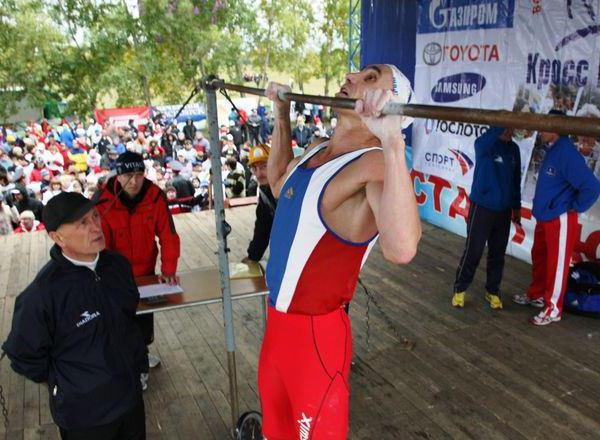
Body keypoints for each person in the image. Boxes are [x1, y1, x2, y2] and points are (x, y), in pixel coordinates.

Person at [259, 64, 421, 439]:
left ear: (389, 103)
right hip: (277, 334)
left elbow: (402, 248)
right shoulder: (318, 150)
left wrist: (393, 143)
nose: (350, 78)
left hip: (316, 345)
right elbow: (279, 181)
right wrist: (281, 116)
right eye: (356, 74)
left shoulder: (375, 164)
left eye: (370, 79)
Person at [2, 192, 147, 439]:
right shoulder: (43, 294)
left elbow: (130, 318)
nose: (95, 227)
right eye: (82, 223)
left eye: (95, 216)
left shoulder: (118, 267)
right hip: (84, 415)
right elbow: (24, 355)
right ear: (57, 237)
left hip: (130, 399)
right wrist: (67, 382)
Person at [96, 152, 180, 389]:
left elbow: (168, 235)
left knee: (143, 319)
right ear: (118, 176)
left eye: (139, 175)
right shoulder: (104, 202)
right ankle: (135, 366)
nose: (134, 181)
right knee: (121, 320)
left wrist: (168, 268)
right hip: (117, 274)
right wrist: (109, 279)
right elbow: (101, 247)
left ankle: (140, 353)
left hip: (147, 272)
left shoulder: (155, 196)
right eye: (128, 175)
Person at [513, 110, 600, 325]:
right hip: (545, 217)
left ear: (556, 128)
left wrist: (572, 207)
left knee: (557, 264)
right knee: (540, 256)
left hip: (560, 218)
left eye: (545, 125)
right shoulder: (553, 149)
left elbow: (592, 187)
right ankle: (537, 294)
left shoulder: (567, 153)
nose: (541, 129)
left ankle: (553, 309)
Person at [452, 127, 521, 309]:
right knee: (474, 250)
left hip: (504, 210)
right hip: (482, 208)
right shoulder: (484, 144)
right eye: (506, 127)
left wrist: (516, 207)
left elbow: (516, 180)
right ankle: (460, 289)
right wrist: (501, 125)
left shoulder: (514, 149)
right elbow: (483, 142)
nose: (509, 131)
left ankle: (492, 291)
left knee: (498, 253)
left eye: (510, 128)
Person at [242, 144, 276, 263]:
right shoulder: (265, 191)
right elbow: (263, 226)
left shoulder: (290, 187)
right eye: (254, 169)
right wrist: (253, 256)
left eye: (263, 167)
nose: (258, 174)